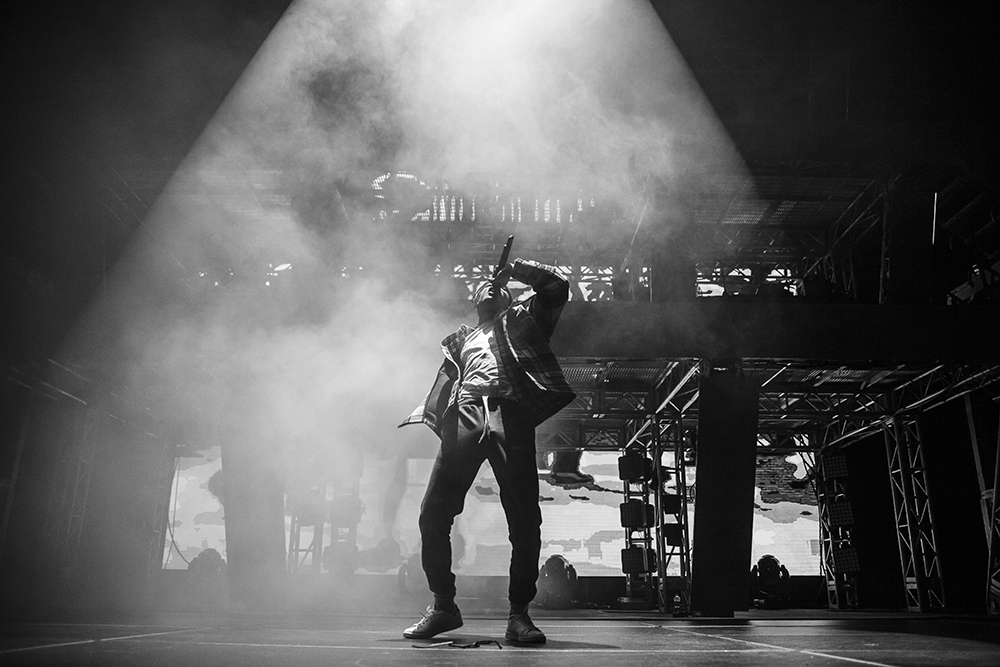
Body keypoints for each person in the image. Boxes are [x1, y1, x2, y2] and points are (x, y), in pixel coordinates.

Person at [398, 257, 576, 643]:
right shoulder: (460, 340)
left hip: (508, 410)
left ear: (509, 295)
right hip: (464, 411)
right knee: (433, 514)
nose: (491, 287)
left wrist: (516, 269)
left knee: (525, 516)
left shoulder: (524, 321)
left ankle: (519, 616)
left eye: (498, 286)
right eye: (484, 286)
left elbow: (557, 287)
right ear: (475, 298)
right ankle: (443, 606)